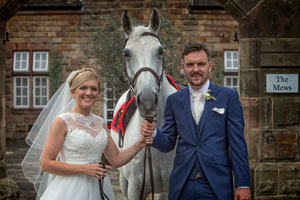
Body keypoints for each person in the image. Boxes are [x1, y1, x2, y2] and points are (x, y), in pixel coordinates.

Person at [141, 42, 251, 200]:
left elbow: (237, 144)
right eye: (190, 64)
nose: (196, 69)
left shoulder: (228, 97)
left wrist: (243, 184)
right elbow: (168, 142)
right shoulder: (174, 101)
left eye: (201, 64)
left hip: (216, 185)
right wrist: (154, 134)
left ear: (210, 66)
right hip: (182, 184)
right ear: (183, 67)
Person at [22, 68, 152, 200]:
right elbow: (46, 164)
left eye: (94, 89)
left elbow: (116, 159)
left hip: (99, 186)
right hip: (70, 189)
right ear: (73, 92)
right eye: (83, 88)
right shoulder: (62, 122)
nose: (89, 93)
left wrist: (139, 144)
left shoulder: (99, 122)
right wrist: (84, 169)